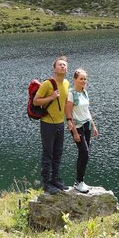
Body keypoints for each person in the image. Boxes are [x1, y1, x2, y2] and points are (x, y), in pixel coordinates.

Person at [32, 56, 70, 194]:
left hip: (60, 124)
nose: (63, 67)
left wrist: (69, 120)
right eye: (60, 65)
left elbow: (65, 104)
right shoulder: (47, 84)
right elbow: (36, 101)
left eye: (65, 65)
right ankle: (46, 184)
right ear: (54, 68)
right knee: (47, 154)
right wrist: (51, 97)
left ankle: (55, 180)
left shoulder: (66, 83)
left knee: (58, 153)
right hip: (47, 124)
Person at [65, 68, 99, 193]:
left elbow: (87, 111)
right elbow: (68, 113)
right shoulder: (71, 93)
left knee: (84, 153)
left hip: (87, 126)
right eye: (81, 79)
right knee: (84, 152)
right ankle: (79, 182)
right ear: (75, 79)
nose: (83, 81)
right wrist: (74, 132)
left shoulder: (84, 92)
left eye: (85, 79)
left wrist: (93, 126)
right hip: (77, 127)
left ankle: (80, 181)